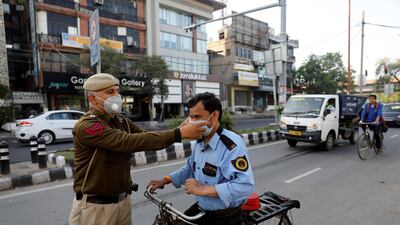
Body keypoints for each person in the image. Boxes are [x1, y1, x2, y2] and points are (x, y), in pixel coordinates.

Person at [68, 73, 207, 225]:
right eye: (110, 92)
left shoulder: (120, 120)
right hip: (96, 208)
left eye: (116, 90)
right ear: (92, 98)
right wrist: (178, 134)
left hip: (123, 202)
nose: (117, 95)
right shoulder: (87, 126)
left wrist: (179, 129)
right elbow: (128, 142)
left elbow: (146, 138)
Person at [148, 92, 255, 225]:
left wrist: (202, 189)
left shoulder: (231, 145)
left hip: (225, 216)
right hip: (203, 210)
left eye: (197, 117)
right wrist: (166, 180)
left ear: (214, 115)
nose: (192, 122)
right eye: (191, 117)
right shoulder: (201, 141)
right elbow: (190, 168)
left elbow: (244, 186)